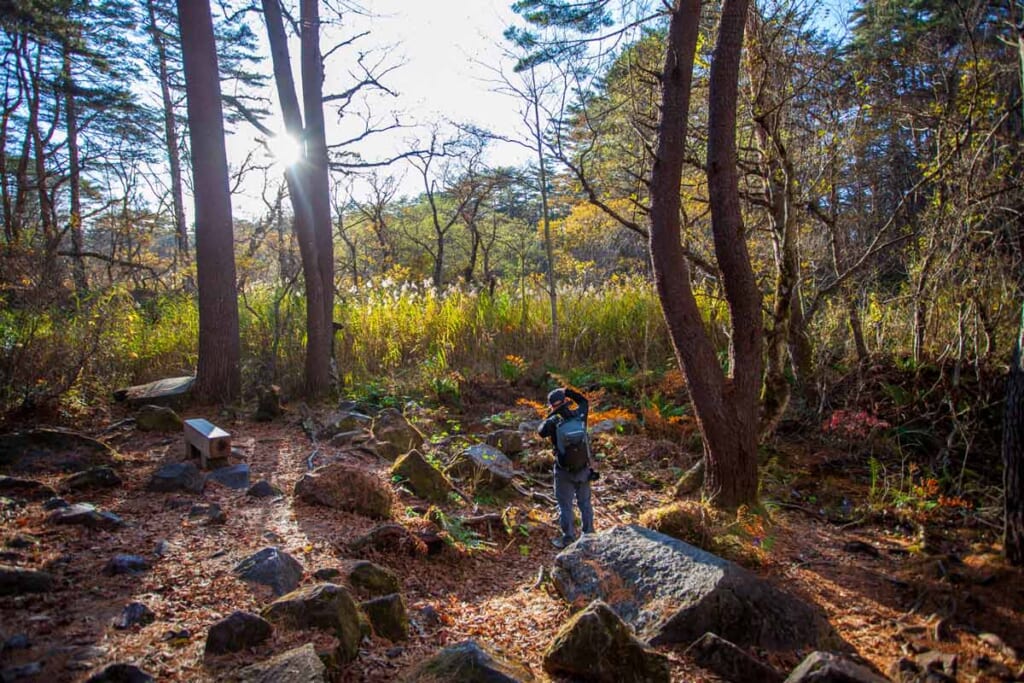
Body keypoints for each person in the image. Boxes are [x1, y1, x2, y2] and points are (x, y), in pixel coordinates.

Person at [538, 386, 595, 549]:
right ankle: (589, 534)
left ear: (552, 406)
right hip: (583, 468)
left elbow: (541, 432)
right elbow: (584, 400)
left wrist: (551, 415)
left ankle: (568, 538)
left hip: (563, 471)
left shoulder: (553, 423)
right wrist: (568, 391)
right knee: (585, 502)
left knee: (565, 505)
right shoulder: (581, 414)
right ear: (565, 401)